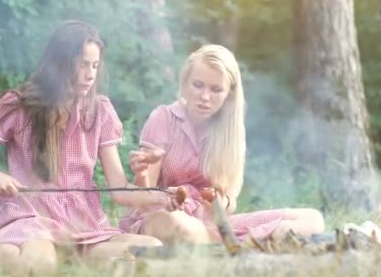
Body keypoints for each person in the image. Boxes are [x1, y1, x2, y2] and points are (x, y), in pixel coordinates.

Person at [0, 20, 172, 276]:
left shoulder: (100, 111)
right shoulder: (18, 106)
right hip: (30, 215)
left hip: (81, 222)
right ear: (59, 63)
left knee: (151, 249)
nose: (90, 74)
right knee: (40, 265)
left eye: (94, 65)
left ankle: (27, 256)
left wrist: (163, 195)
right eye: (82, 64)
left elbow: (120, 191)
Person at [119, 44, 325, 244]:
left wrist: (219, 201)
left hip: (209, 222)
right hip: (159, 217)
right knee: (179, 225)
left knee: (313, 219)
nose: (205, 97)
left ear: (229, 95)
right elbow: (142, 199)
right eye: (198, 85)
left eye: (216, 89)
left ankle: (226, 241)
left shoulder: (231, 133)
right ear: (184, 83)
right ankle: (249, 240)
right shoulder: (163, 118)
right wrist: (144, 175)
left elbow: (229, 204)